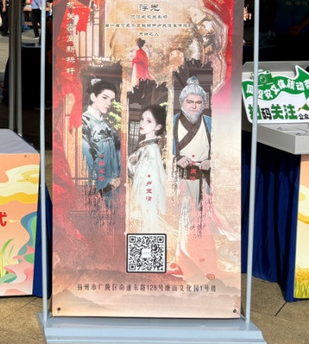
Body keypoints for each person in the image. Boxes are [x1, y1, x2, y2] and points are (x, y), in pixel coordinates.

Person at [169, 76, 222, 280]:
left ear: (204, 104)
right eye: (189, 102)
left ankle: (207, 265)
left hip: (203, 179)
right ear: (182, 102)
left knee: (204, 223)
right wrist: (176, 158)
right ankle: (183, 263)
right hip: (182, 178)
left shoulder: (209, 123)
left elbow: (220, 150)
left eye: (198, 102)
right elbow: (164, 151)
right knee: (185, 221)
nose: (194, 106)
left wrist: (211, 160)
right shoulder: (173, 122)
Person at [127, 104, 167, 233]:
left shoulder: (151, 149)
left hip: (145, 196)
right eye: (142, 119)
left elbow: (150, 180)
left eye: (149, 121)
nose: (142, 123)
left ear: (158, 126)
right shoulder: (145, 146)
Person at [81, 78, 121, 208]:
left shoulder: (109, 128)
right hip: (95, 187)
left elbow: (118, 154)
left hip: (113, 186)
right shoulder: (83, 123)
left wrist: (117, 178)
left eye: (111, 100)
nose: (109, 103)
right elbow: (85, 159)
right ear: (93, 96)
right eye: (105, 98)